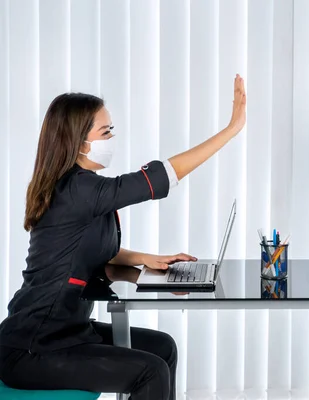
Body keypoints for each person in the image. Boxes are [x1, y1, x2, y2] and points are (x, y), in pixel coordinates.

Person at [0, 75, 246, 400]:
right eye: (105, 132)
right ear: (79, 142)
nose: (112, 137)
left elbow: (87, 252)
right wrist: (231, 130)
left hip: (67, 332)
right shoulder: (79, 190)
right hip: (34, 347)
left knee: (162, 348)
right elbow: (155, 180)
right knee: (150, 372)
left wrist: (143, 260)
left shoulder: (79, 187)